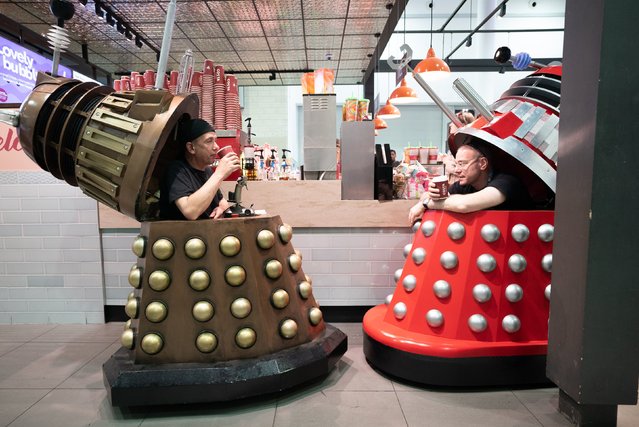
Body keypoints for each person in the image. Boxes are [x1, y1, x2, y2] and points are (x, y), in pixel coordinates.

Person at [408, 141, 534, 224]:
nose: (457, 170)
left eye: (462, 164)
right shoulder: (466, 184)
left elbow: (464, 205)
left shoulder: (507, 182)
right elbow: (426, 197)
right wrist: (431, 194)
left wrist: (426, 204)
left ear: (482, 163)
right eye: (456, 164)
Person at [159, 118, 241, 220]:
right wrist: (219, 174)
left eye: (215, 140)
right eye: (209, 141)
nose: (216, 147)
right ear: (191, 148)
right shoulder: (176, 170)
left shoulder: (207, 170)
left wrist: (221, 208)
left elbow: (222, 201)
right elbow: (190, 212)